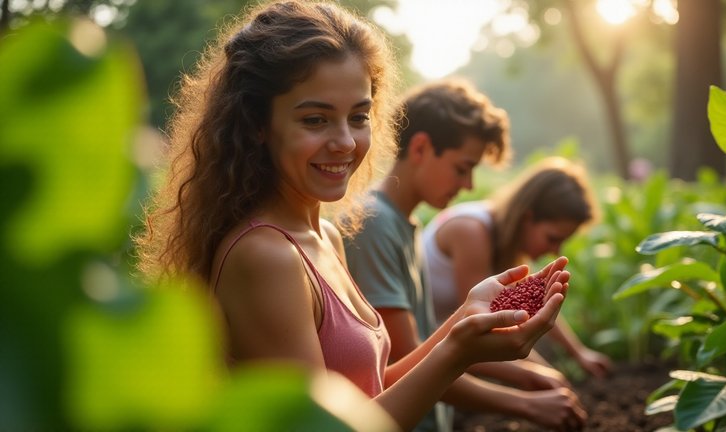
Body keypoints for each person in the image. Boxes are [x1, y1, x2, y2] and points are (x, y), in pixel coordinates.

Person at [134, 2, 571, 431]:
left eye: (358, 117)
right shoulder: (266, 255)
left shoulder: (323, 234)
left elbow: (366, 400)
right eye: (315, 119)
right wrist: (457, 352)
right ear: (256, 124)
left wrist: (464, 321)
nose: (345, 142)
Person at [344, 79, 587, 432]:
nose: (470, 185)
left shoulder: (403, 223)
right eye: (463, 167)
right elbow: (405, 361)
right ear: (421, 148)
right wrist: (525, 403)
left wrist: (529, 378)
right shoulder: (374, 224)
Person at [423, 156, 613, 380]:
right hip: (419, 348)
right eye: (552, 238)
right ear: (527, 218)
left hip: (439, 343)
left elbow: (536, 300)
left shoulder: (507, 242)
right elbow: (485, 326)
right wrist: (544, 375)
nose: (555, 250)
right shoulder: (470, 231)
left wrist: (579, 353)